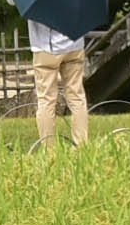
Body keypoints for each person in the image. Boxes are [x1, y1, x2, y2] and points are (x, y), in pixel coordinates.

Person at [25, 12, 90, 150]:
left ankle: (50, 150)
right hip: (75, 44)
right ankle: (81, 146)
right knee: (77, 97)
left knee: (46, 100)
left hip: (45, 48)